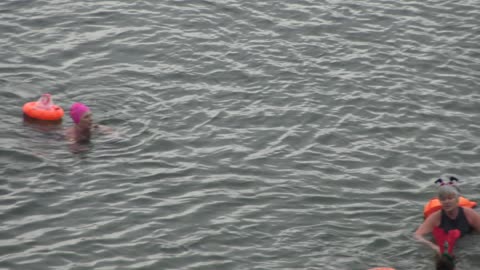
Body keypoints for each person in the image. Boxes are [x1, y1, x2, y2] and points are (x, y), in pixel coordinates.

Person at [414, 181, 480, 269]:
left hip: (465, 246)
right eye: (443, 199)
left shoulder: (469, 213)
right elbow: (417, 236)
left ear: (457, 199)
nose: (446, 202)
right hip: (444, 249)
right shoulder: (436, 217)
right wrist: (434, 247)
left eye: (450, 198)